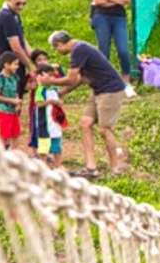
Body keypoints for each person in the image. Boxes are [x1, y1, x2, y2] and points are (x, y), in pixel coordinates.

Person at [44, 30, 127, 179]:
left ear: (60, 44)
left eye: (56, 48)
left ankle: (116, 169)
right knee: (85, 123)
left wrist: (49, 81)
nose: (57, 51)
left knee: (104, 129)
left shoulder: (78, 49)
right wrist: (62, 92)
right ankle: (91, 167)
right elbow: (80, 78)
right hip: (98, 89)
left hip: (110, 90)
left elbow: (70, 78)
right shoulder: (80, 49)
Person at [90, 0, 137, 97]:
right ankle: (104, 81)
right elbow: (97, 0)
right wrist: (117, 0)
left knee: (123, 49)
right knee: (104, 49)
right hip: (101, 17)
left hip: (119, 17)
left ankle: (126, 81)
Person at [0, 0, 33, 99]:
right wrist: (30, 66)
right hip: (8, 67)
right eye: (17, 3)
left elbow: (22, 39)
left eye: (24, 4)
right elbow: (16, 47)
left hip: (14, 65)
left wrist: (33, 55)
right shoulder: (6, 17)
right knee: (10, 103)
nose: (21, 7)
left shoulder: (14, 14)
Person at [32, 62, 66, 168]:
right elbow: (39, 103)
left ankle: (58, 166)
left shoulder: (54, 89)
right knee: (44, 147)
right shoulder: (40, 90)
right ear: (40, 76)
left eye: (52, 75)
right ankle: (44, 168)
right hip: (44, 123)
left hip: (55, 122)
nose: (51, 78)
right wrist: (51, 101)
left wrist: (59, 102)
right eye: (49, 75)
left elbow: (60, 99)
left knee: (57, 145)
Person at [0, 52, 23, 150]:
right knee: (4, 136)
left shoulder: (14, 77)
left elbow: (16, 91)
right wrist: (12, 101)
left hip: (13, 111)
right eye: (15, 64)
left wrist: (17, 103)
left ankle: (13, 154)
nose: (17, 67)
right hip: (3, 111)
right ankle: (2, 155)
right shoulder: (0, 78)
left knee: (16, 134)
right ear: (6, 65)